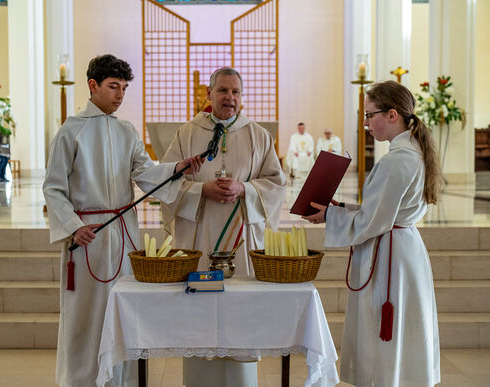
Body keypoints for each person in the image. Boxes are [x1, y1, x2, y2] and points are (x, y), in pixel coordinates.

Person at [43, 54, 203, 387]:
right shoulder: (70, 132)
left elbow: (145, 174)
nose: (119, 95)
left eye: (124, 88)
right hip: (89, 236)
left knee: (123, 313)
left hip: (124, 233)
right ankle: (82, 380)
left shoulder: (127, 131)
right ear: (93, 86)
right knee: (87, 317)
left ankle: (122, 381)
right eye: (113, 86)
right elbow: (53, 188)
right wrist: (74, 227)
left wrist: (177, 169)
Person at [303, 80, 441, 386]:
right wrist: (341, 207)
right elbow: (383, 210)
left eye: (370, 115)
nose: (366, 123)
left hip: (390, 256)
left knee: (385, 330)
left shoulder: (397, 160)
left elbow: (374, 221)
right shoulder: (409, 151)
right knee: (404, 331)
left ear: (393, 115)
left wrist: (330, 215)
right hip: (403, 249)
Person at [161, 67, 286, 387]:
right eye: (223, 91)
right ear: (209, 95)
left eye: (236, 92)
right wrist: (202, 189)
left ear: (242, 97)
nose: (230, 97)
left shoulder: (258, 134)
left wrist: (244, 189)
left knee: (239, 308)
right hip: (200, 240)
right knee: (203, 309)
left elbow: (276, 182)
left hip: (240, 240)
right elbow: (165, 181)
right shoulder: (187, 133)